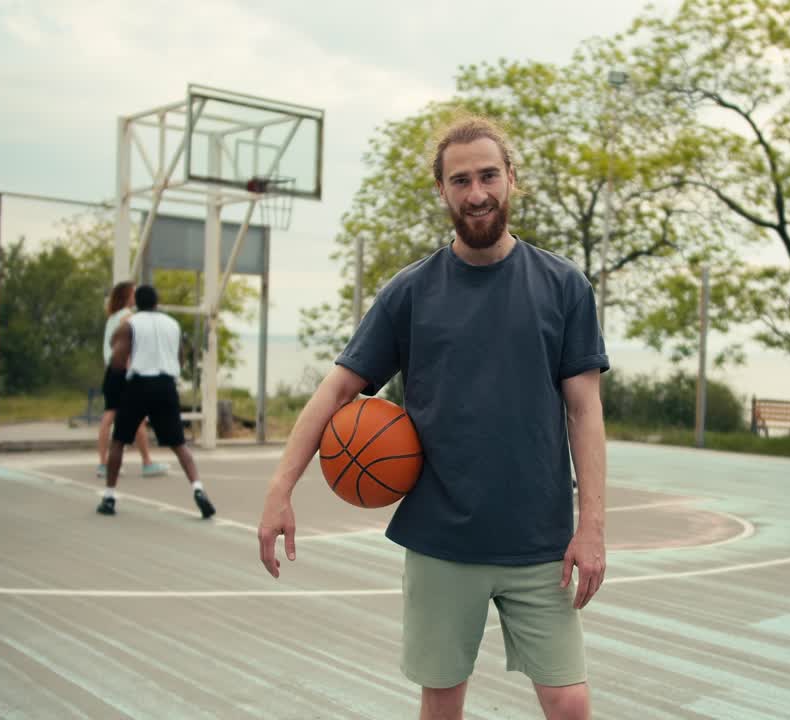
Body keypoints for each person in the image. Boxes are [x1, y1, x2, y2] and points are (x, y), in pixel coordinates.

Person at [257, 115, 609, 720]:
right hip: (442, 541)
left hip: (540, 541)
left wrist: (593, 525)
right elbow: (336, 390)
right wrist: (280, 486)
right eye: (461, 180)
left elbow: (584, 409)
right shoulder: (410, 293)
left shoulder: (564, 287)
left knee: (569, 704)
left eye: (489, 176)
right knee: (442, 705)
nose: (477, 193)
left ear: (512, 179)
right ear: (441, 190)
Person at [100, 284, 216, 519]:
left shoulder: (130, 325)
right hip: (166, 385)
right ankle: (198, 489)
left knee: (120, 440)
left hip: (139, 384)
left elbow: (119, 359)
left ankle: (109, 496)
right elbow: (181, 357)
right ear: (157, 301)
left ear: (136, 303)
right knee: (179, 444)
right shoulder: (172, 324)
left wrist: (117, 382)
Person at [97, 281, 166, 479]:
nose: (135, 296)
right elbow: (133, 345)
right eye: (133, 292)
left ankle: (103, 463)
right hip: (125, 371)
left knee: (110, 415)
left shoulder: (113, 317)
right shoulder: (128, 317)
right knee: (136, 417)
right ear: (127, 296)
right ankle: (147, 463)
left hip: (111, 370)